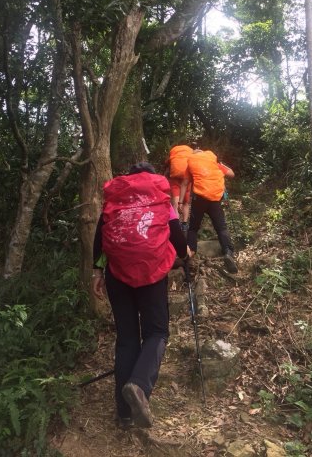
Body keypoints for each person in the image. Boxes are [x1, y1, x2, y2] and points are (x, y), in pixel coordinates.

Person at [92, 162, 188, 429]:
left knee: (127, 339)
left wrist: (97, 272)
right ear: (152, 177)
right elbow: (177, 236)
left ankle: (123, 414)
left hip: (117, 273)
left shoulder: (116, 199)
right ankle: (139, 385)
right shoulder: (159, 198)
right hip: (152, 273)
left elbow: (100, 235)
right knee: (157, 332)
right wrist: (185, 255)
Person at [180, 148, 238, 274]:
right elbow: (232, 174)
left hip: (199, 200)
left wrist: (180, 202)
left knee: (193, 228)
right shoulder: (214, 164)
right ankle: (228, 252)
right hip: (215, 199)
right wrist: (221, 164)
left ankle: (191, 253)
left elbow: (184, 183)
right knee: (221, 227)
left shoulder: (191, 163)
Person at [165, 143, 194, 231]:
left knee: (175, 204)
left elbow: (167, 164)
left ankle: (176, 225)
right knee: (186, 203)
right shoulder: (191, 153)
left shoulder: (173, 153)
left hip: (175, 180)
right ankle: (185, 224)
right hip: (187, 180)